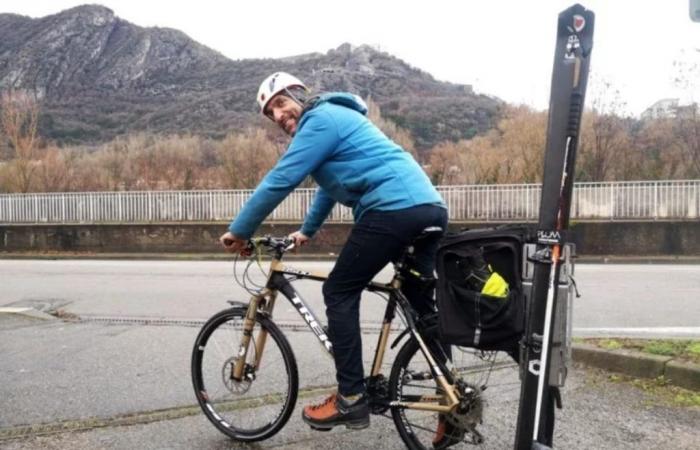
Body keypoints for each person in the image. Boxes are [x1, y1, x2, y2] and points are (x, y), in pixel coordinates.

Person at [219, 72, 450, 438]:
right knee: (422, 310)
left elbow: (283, 177)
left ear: (299, 94)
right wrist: (307, 231)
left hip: (391, 210)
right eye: (270, 114)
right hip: (428, 209)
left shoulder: (320, 119)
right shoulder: (339, 119)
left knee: (338, 290)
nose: (278, 115)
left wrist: (240, 230)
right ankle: (450, 404)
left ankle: (351, 397)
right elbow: (328, 187)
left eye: (280, 103)